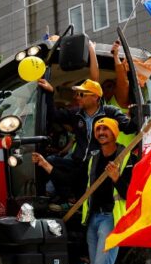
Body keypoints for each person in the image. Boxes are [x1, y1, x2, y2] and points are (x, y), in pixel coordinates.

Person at [33, 118, 136, 264]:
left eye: (105, 128)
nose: (101, 132)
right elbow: (71, 181)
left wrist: (117, 178)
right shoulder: (94, 159)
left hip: (112, 220)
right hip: (93, 221)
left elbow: (133, 193)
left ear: (115, 133)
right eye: (98, 129)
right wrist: (45, 165)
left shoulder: (128, 158)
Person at [37, 78, 136, 211]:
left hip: (96, 164)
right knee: (51, 161)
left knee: (84, 182)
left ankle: (78, 202)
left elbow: (129, 128)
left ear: (95, 97)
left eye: (82, 94)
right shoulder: (75, 113)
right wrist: (50, 93)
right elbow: (54, 116)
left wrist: (135, 112)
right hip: (78, 161)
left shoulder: (110, 112)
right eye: (77, 94)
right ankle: (67, 198)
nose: (77, 97)